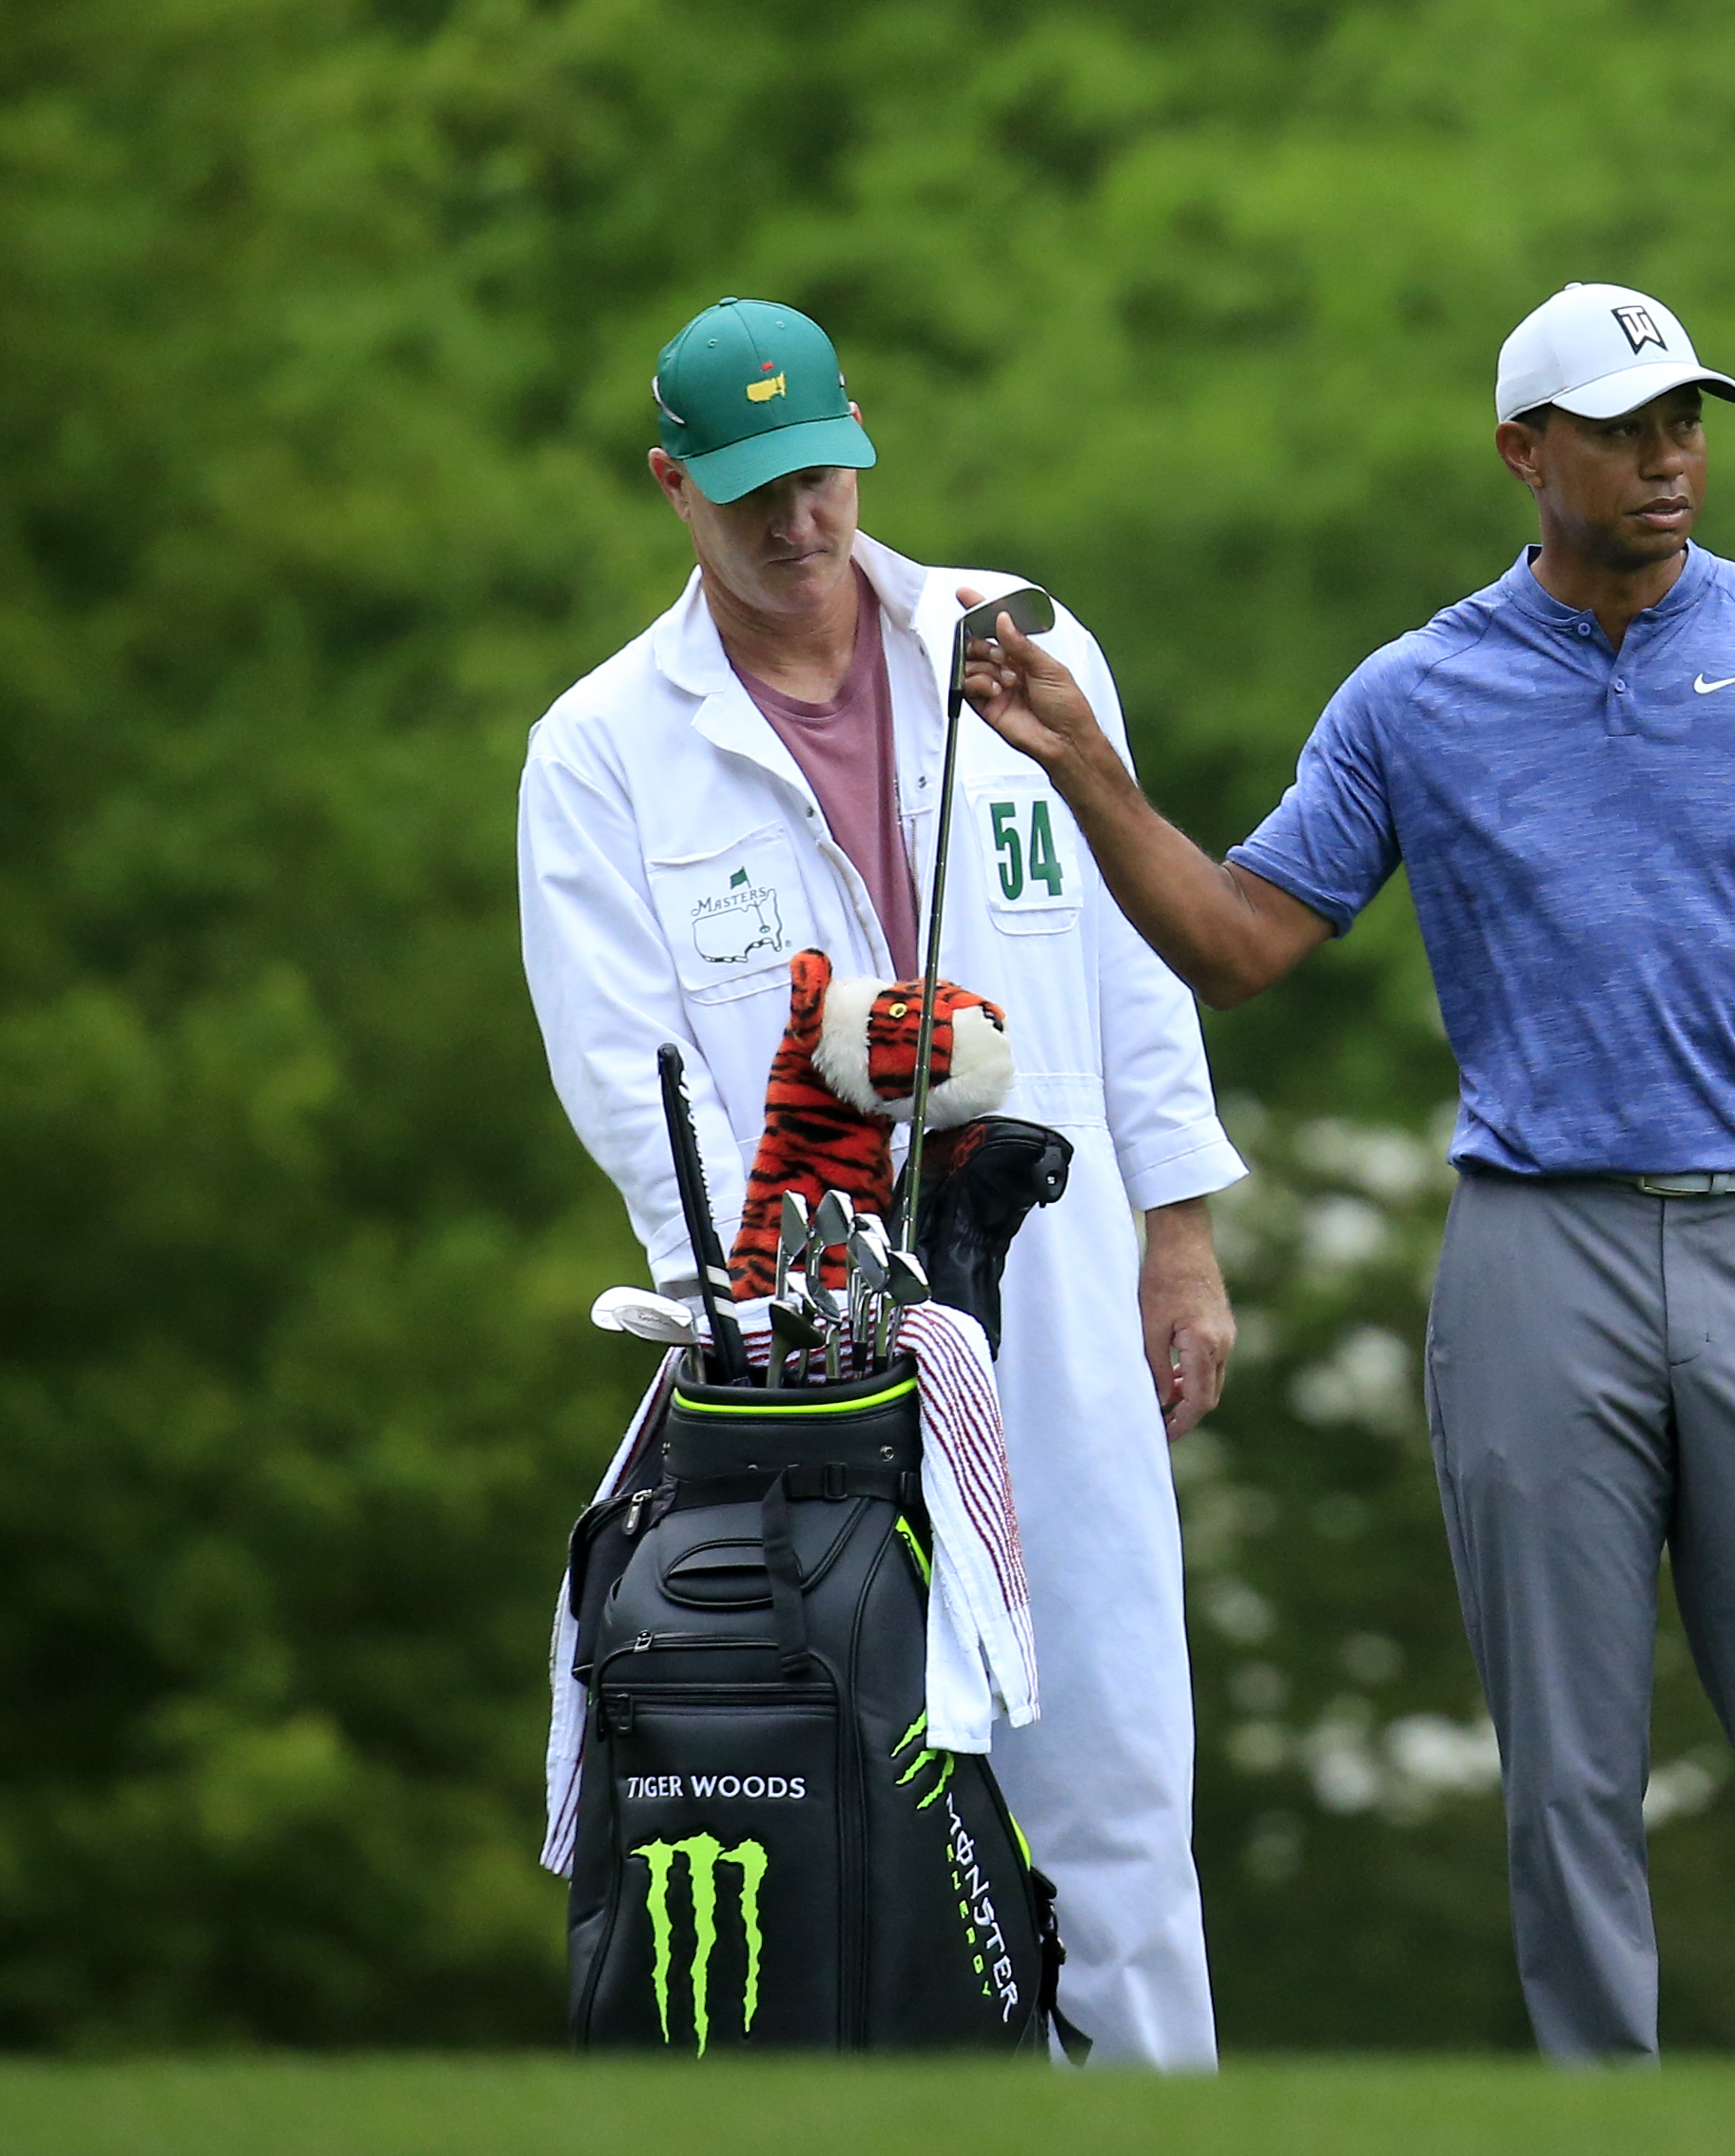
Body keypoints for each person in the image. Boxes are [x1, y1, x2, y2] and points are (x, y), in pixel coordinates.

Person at [956, 282, 1735, 2063]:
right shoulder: (1414, 696)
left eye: (1686, 419)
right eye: (1622, 426)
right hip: (1536, 1258)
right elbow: (1241, 944)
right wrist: (1091, 775)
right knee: (1568, 1767)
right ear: (1525, 453)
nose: (1670, 456)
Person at [517, 297, 1245, 2069]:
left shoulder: (1017, 645)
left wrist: (1181, 1233)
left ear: (861, 446)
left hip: (1053, 1288)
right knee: (835, 1772)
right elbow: (629, 1087)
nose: (798, 524)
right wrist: (758, 1299)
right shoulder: (601, 747)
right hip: (796, 1337)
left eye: (821, 477)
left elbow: (1144, 954)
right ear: (672, 486)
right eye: (751, 491)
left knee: (1115, 1774)